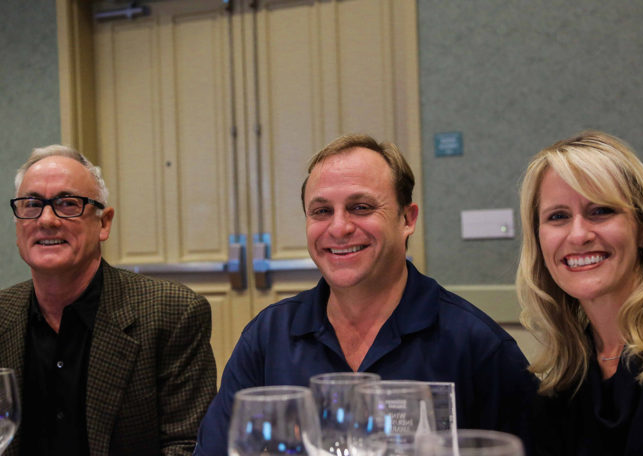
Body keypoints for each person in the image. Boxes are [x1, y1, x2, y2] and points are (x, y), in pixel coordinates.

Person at [193, 134, 537, 455]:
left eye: (361, 207)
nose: (339, 227)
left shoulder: (476, 345)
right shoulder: (268, 338)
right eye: (322, 211)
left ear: (407, 218)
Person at [0, 145, 217, 456]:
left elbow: (188, 447)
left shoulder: (172, 314)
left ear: (103, 223)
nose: (47, 219)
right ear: (18, 224)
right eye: (32, 204)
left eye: (68, 204)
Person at [516, 131, 643, 455]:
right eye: (558, 216)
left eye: (601, 211)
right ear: (539, 241)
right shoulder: (567, 379)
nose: (578, 235)